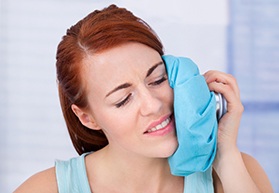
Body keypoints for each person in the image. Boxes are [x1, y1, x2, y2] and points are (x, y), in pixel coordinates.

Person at [14, 4, 273, 193]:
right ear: (87, 117)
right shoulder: (45, 189)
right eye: (123, 99)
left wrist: (225, 155)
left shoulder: (236, 174)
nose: (154, 105)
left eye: (158, 79)